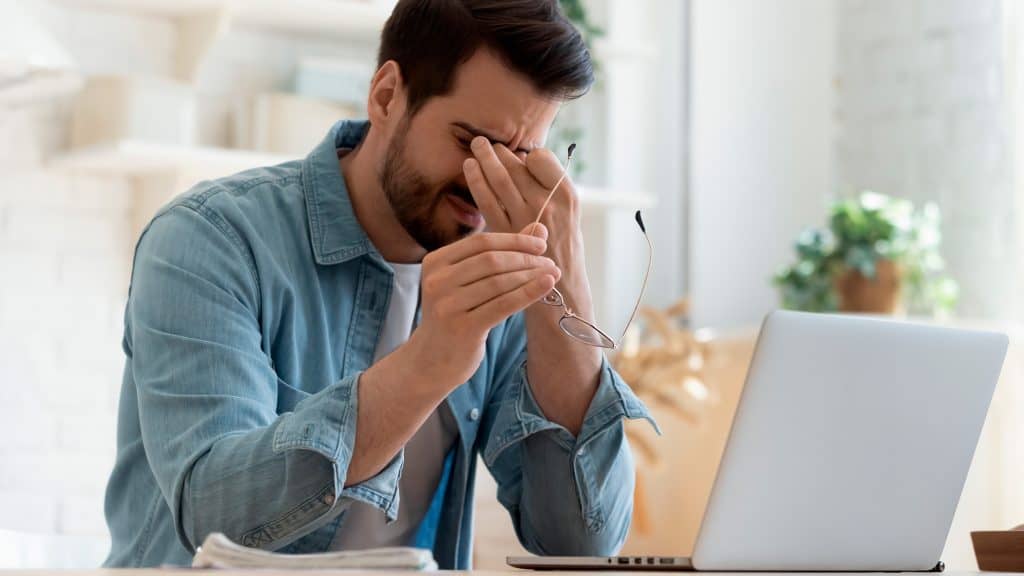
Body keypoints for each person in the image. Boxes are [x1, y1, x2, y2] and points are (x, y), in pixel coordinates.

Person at [103, 0, 654, 568]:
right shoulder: (210, 239)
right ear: (387, 95)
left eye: (521, 157)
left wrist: (567, 294)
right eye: (471, 143)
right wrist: (432, 360)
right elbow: (213, 519)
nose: (487, 184)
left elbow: (581, 543)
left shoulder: (505, 276)